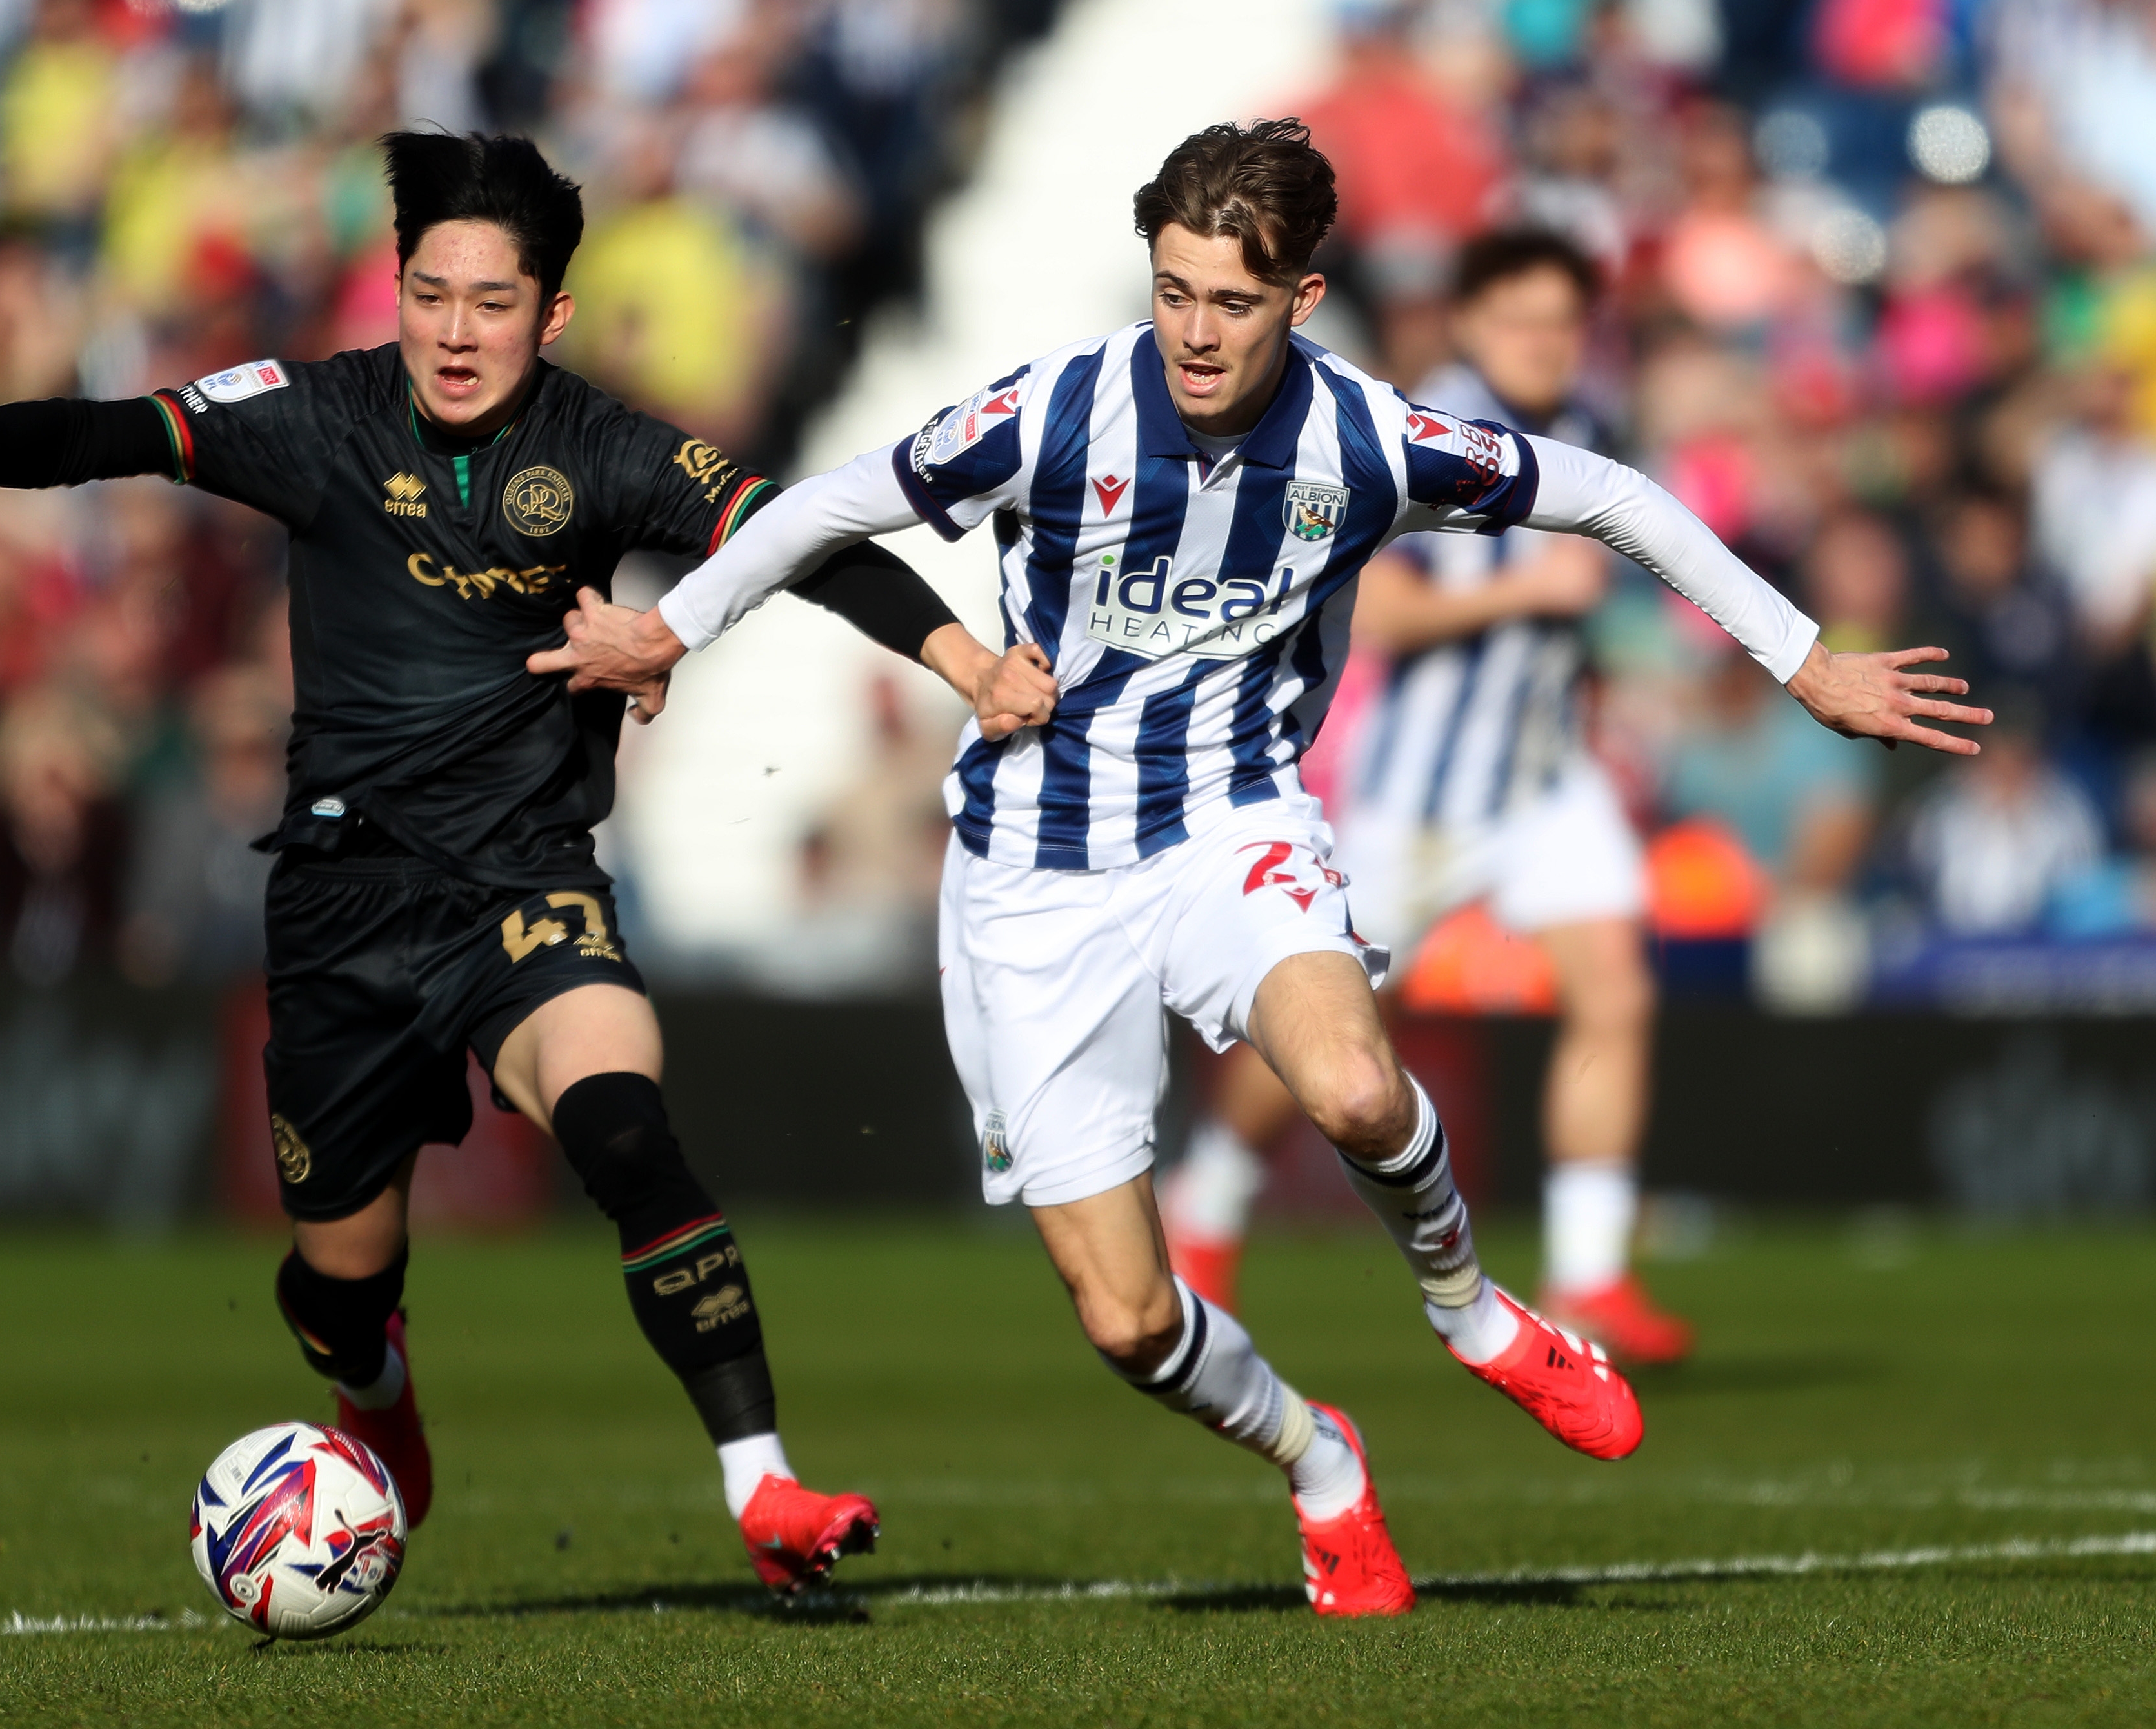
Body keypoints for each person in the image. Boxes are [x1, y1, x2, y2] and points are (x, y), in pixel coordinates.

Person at [534, 120, 1988, 1616]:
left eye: (1231, 302)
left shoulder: (1366, 437)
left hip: (1233, 826)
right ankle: (1321, 1463)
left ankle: (1478, 1316)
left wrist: (1804, 661)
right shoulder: (1056, 409)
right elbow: (838, 499)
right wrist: (677, 625)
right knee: (1125, 1318)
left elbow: (1611, 495)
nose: (1194, 332)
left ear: (1299, 298)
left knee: (1355, 1089)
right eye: (1172, 291)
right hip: (1032, 875)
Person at [0, 130, 1055, 1595]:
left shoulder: (608, 448)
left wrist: (967, 660)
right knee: (338, 1290)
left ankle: (762, 1483)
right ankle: (374, 1392)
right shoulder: (317, 414)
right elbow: (116, 434)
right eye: (428, 293)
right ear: (395, 289)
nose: (454, 333)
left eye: (490, 302)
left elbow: (804, 540)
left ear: (553, 316)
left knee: (623, 1128)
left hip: (521, 882)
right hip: (340, 905)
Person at [1155, 226, 1693, 1365]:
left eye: (1563, 323)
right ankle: (1203, 1207)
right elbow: (1383, 613)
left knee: (1614, 991)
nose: (1546, 345)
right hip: (1419, 797)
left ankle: (1590, 1276)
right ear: (1470, 325)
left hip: (1544, 776)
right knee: (1331, 1032)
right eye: (1522, 323)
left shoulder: (1589, 423)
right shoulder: (1415, 436)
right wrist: (1526, 596)